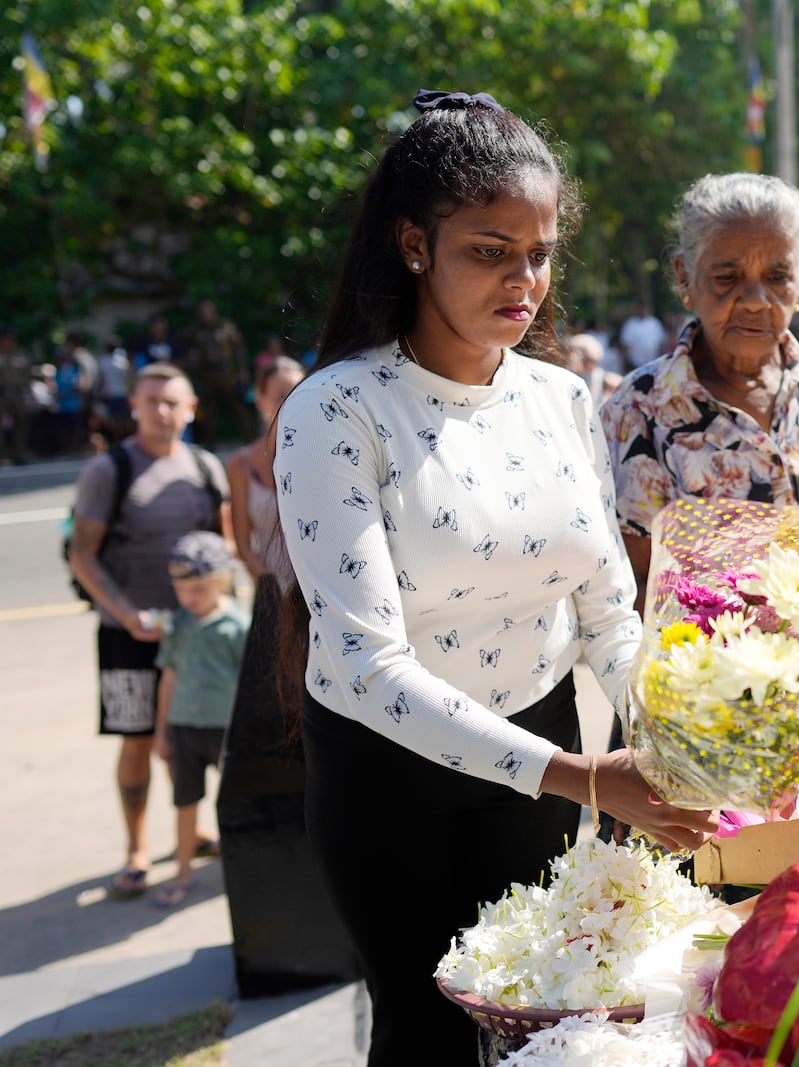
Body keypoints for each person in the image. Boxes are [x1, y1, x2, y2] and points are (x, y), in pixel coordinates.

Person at [272, 89, 714, 1067]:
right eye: (489, 248)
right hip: (392, 775)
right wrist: (585, 778)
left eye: (540, 250)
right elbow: (368, 663)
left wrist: (683, 730)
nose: (524, 279)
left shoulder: (560, 395)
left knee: (552, 1018)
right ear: (414, 243)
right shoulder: (334, 411)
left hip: (545, 741)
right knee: (428, 1030)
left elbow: (607, 608)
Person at [600, 172, 799, 602]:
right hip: (701, 665)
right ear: (685, 278)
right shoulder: (640, 409)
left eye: (778, 277)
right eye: (727, 276)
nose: (756, 300)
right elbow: (631, 584)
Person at [67, 363, 229, 899]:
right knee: (137, 740)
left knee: (195, 734)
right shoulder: (109, 470)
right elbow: (82, 555)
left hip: (197, 634)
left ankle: (197, 827)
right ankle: (137, 848)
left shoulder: (207, 468)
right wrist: (124, 611)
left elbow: (222, 551)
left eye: (172, 401)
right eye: (151, 400)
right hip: (127, 635)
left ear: (191, 409)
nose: (162, 411)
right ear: (133, 406)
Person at [151, 531, 248, 908]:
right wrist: (162, 732)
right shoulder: (178, 625)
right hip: (183, 731)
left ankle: (242, 870)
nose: (189, 598)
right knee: (185, 801)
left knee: (235, 803)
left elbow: (248, 686)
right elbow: (168, 677)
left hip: (225, 732)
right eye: (182, 590)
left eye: (199, 589)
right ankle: (183, 872)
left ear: (220, 581)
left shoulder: (236, 628)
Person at [226, 356, 304, 581]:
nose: (292, 403)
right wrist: (273, 589)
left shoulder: (326, 455)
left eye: (299, 394)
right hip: (272, 593)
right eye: (281, 396)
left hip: (324, 592)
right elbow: (243, 546)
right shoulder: (241, 464)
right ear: (259, 400)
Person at [181, 300, 249, 446]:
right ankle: (210, 444)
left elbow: (239, 349)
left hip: (227, 374)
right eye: (203, 312)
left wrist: (242, 370)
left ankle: (250, 440)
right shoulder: (194, 331)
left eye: (208, 311)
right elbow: (185, 349)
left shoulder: (226, 327)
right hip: (206, 375)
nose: (206, 315)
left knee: (238, 406)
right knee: (208, 411)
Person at [0, 326, 31, 464]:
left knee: (20, 425)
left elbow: (27, 373)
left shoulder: (21, 353)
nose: (9, 342)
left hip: (18, 393)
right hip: (1, 392)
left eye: (11, 339)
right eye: (6, 339)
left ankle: (19, 454)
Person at [618, 301, 667, 372]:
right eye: (640, 309)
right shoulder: (630, 324)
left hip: (654, 363)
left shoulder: (655, 323)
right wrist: (626, 362)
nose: (642, 311)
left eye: (644, 309)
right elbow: (625, 344)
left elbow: (661, 343)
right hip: (635, 364)